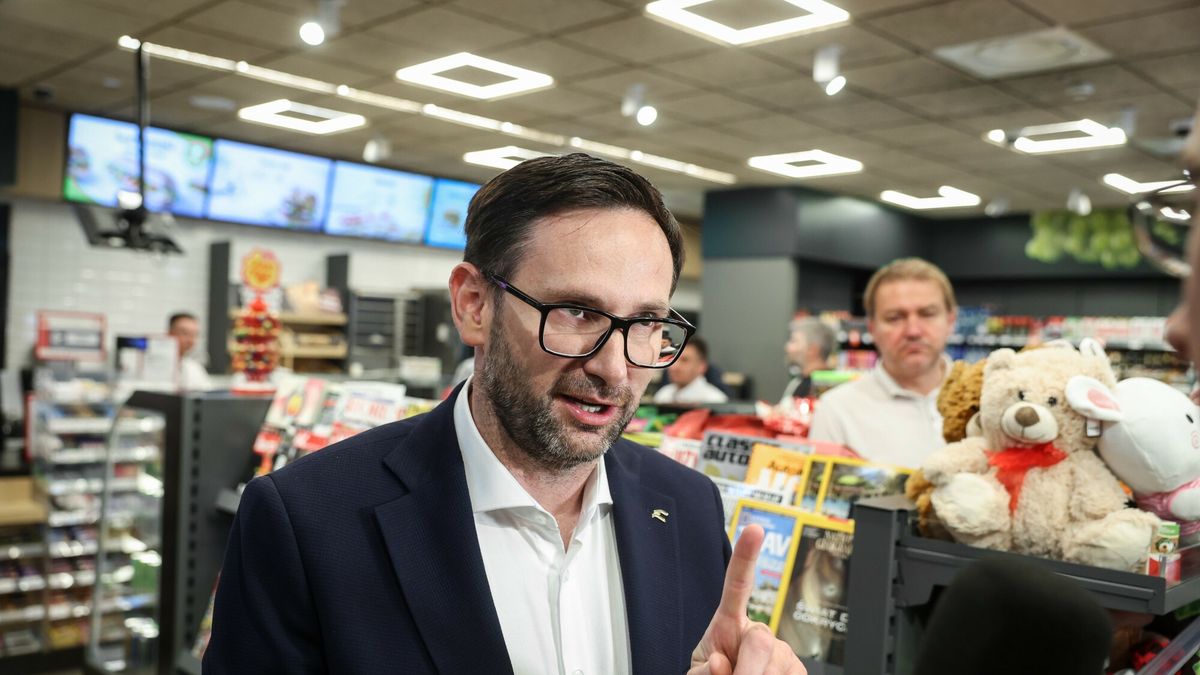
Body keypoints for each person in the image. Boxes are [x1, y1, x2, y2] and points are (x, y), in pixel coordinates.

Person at [203, 154, 804, 675]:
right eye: (575, 312)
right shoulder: (307, 522)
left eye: (646, 324)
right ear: (473, 306)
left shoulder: (689, 507)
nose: (617, 371)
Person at [808, 258, 956, 468]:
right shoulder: (837, 411)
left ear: (951, 320)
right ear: (872, 328)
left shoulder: (986, 398)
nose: (913, 331)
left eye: (927, 314)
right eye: (895, 318)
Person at [654, 336, 729, 404]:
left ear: (701, 367)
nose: (674, 366)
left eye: (684, 360)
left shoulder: (715, 401)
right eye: (672, 359)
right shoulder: (663, 394)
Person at [780, 317, 836, 402]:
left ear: (812, 350)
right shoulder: (800, 382)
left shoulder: (820, 387)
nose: (787, 348)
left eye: (794, 341)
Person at [168, 312, 212, 391]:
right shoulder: (151, 365)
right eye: (185, 333)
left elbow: (208, 394)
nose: (190, 340)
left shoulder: (195, 368)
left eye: (194, 334)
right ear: (170, 334)